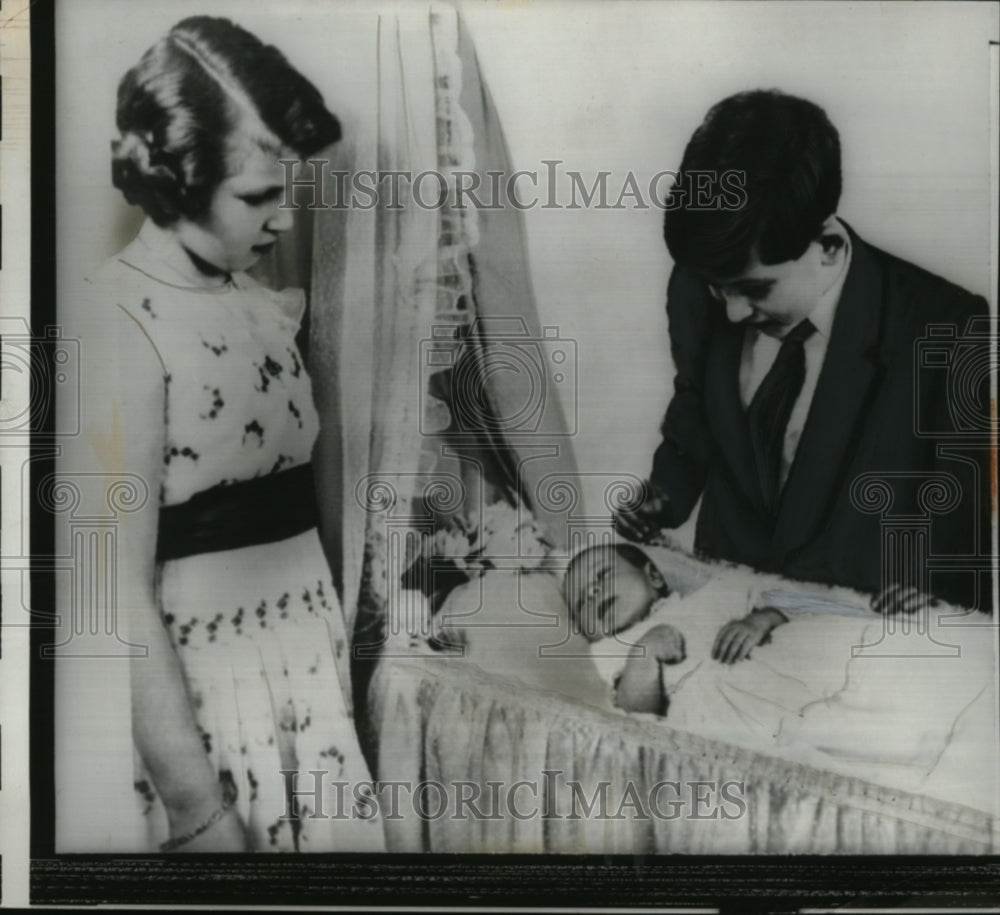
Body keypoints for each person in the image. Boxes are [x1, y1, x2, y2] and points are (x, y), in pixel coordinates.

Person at [79, 17, 384, 852]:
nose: (285, 221)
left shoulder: (254, 297)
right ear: (176, 177)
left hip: (303, 678)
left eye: (289, 191)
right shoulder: (118, 323)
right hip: (210, 710)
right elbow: (114, 595)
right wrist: (197, 810)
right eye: (258, 197)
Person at [615, 90, 992, 614]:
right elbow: (695, 406)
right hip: (721, 612)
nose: (732, 313)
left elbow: (959, 514)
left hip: (855, 632)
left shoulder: (943, 323)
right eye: (716, 288)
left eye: (756, 288)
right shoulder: (696, 289)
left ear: (828, 245)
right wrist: (665, 495)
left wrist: (942, 623)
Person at [563, 543, 792, 714]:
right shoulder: (609, 650)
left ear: (653, 576)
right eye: (582, 602)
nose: (592, 593)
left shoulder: (709, 597)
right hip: (715, 718)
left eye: (602, 575)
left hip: (772, 685)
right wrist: (643, 655)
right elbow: (635, 717)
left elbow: (784, 605)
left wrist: (760, 620)